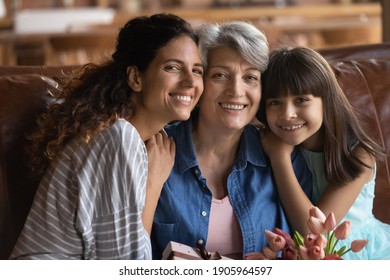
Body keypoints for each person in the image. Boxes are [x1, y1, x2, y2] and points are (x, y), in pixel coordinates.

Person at [10, 13, 204, 260]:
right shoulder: (117, 137)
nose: (190, 81)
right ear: (136, 78)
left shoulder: (130, 135)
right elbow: (126, 266)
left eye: (197, 70)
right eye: (173, 67)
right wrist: (153, 185)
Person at [151, 21, 312, 260]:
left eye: (250, 77)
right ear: (199, 81)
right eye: (220, 75)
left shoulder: (282, 153)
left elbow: (314, 245)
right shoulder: (155, 151)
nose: (236, 90)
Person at [257, 46, 389, 259]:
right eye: (275, 103)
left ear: (326, 101)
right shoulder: (268, 142)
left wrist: (279, 158)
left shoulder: (358, 155)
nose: (287, 114)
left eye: (301, 100)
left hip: (355, 252)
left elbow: (314, 232)